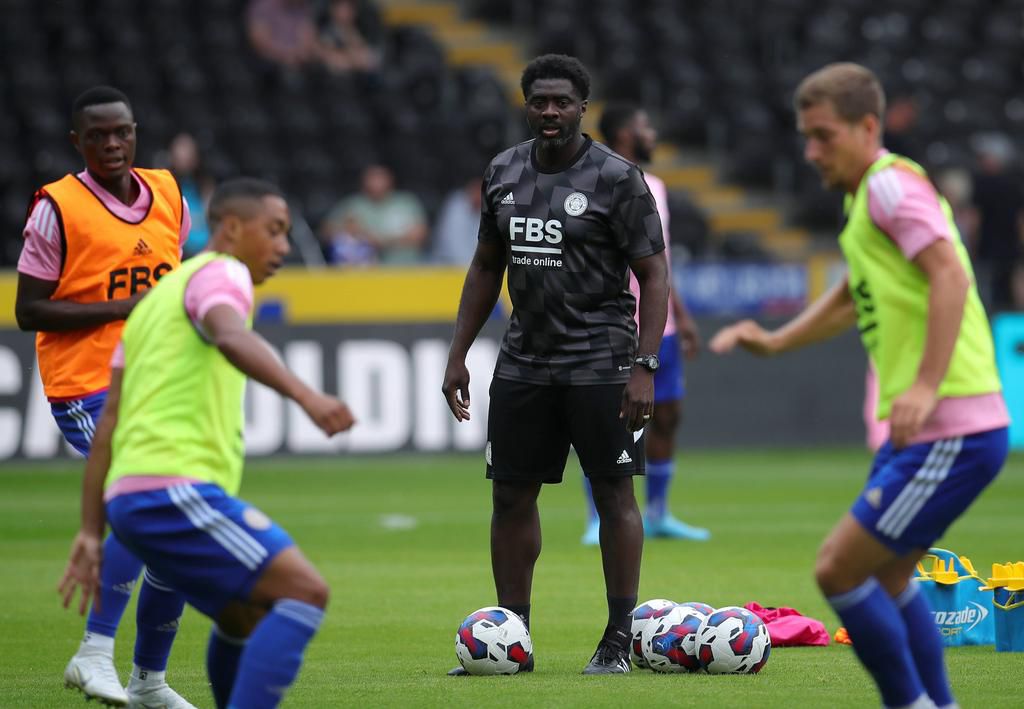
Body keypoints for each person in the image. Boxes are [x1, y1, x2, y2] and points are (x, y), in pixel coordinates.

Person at [710, 63, 1009, 709]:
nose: (812, 151)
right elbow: (854, 294)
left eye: (824, 135)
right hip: (934, 428)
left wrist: (926, 386)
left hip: (952, 425)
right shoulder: (864, 200)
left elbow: (951, 276)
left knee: (838, 568)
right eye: (806, 137)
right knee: (892, 575)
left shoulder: (890, 188)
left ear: (867, 127)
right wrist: (778, 338)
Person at [58, 178, 356, 709]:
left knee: (242, 616)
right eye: (275, 230)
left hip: (130, 497)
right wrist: (307, 397)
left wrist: (89, 528)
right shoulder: (225, 273)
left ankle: (152, 682)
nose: (284, 247)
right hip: (172, 489)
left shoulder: (153, 304)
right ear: (232, 228)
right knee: (305, 593)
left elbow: (108, 429)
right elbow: (230, 334)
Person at [442, 54, 669, 675]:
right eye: (539, 101)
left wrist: (644, 364)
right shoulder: (503, 171)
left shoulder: (617, 178)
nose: (549, 111)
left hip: (600, 361)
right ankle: (510, 637)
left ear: (581, 109)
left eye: (561, 102)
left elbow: (653, 273)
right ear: (526, 105)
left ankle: (618, 638)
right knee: (511, 496)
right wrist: (458, 354)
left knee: (613, 492)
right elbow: (487, 265)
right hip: (524, 360)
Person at [15, 86, 195, 708]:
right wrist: (122, 307)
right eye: (98, 136)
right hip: (84, 386)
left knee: (180, 529)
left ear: (135, 132)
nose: (112, 144)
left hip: (158, 385)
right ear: (78, 142)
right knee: (146, 509)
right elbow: (27, 310)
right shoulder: (57, 209)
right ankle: (92, 654)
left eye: (121, 132)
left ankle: (148, 681)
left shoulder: (169, 193)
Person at [580, 103, 708, 546]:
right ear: (622, 134)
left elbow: (659, 261)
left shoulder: (656, 186)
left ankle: (658, 513)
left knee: (667, 416)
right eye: (644, 126)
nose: (651, 133)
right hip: (614, 324)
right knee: (609, 422)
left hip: (662, 325)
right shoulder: (596, 183)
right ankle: (598, 518)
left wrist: (684, 316)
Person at [320, 164, 428, 265]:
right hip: (362, 271)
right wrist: (356, 235)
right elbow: (326, 232)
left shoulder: (406, 202)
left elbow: (420, 235)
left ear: (390, 179)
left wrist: (381, 241)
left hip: (405, 268)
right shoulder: (353, 204)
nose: (376, 182)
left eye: (380, 178)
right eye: (372, 178)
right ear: (363, 181)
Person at [166, 132, 215, 259]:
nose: (184, 157)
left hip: (205, 251)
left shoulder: (205, 185)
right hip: (179, 251)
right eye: (180, 152)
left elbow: (211, 218)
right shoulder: (166, 185)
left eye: (188, 153)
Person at [430, 176, 481, 266]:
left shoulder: (488, 208)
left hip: (474, 269)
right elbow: (456, 249)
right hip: (446, 267)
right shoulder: (456, 206)